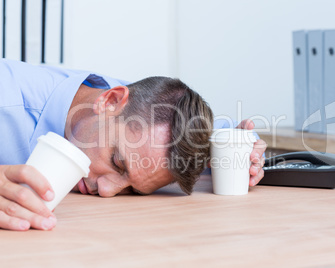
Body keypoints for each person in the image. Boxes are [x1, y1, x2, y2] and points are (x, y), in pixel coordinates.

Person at [0, 59, 267, 231]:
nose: (106, 190)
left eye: (133, 190)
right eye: (117, 162)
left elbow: (225, 131)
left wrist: (246, 153)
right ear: (109, 101)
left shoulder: (142, 108)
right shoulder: (7, 97)